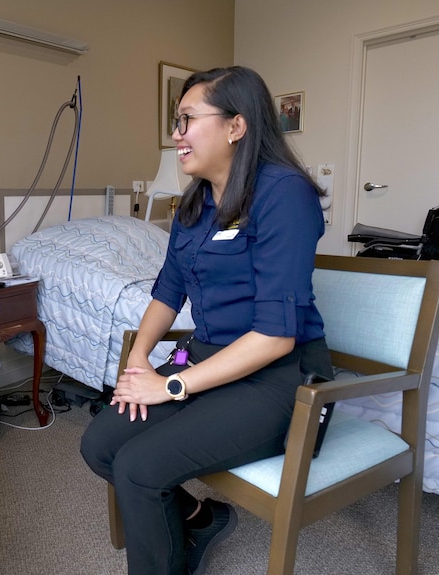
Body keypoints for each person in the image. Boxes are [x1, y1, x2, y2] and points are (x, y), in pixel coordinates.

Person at [80, 66, 332, 575]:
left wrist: (169, 385)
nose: (176, 134)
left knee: (139, 467)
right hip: (208, 364)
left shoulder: (284, 194)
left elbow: (275, 338)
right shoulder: (194, 205)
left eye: (187, 119)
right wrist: (137, 367)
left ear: (236, 126)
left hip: (278, 383)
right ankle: (198, 519)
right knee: (100, 444)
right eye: (177, 121)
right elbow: (167, 292)